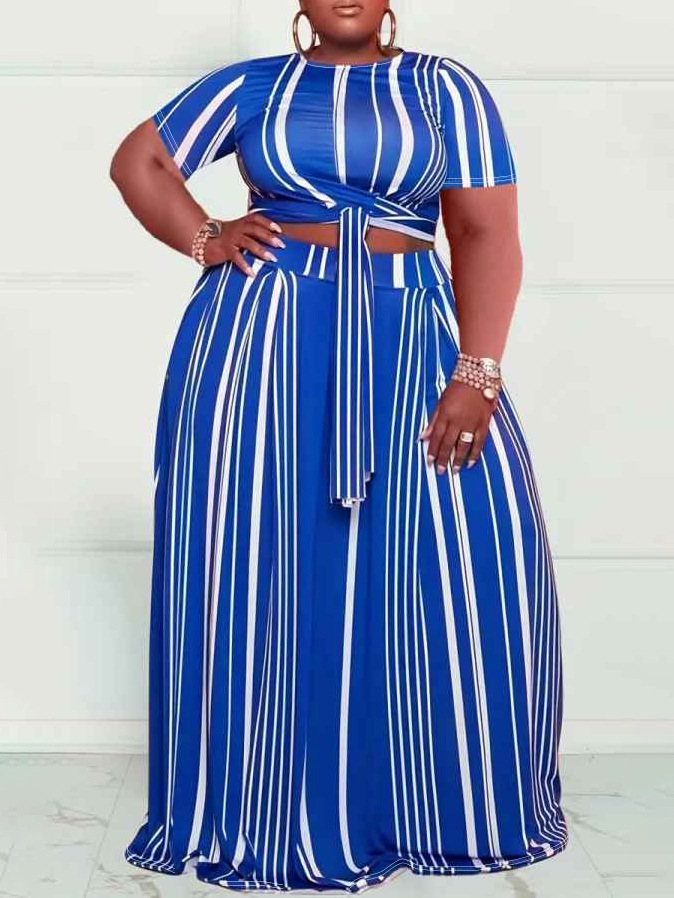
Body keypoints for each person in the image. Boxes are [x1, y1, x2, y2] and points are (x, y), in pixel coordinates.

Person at [110, 0, 568, 891]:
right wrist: (206, 237)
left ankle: (429, 805)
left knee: (460, 546)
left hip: (405, 333)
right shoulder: (253, 86)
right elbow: (140, 161)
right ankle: (261, 801)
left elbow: (484, 232)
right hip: (261, 335)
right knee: (257, 554)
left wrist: (477, 372)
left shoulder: (445, 90)